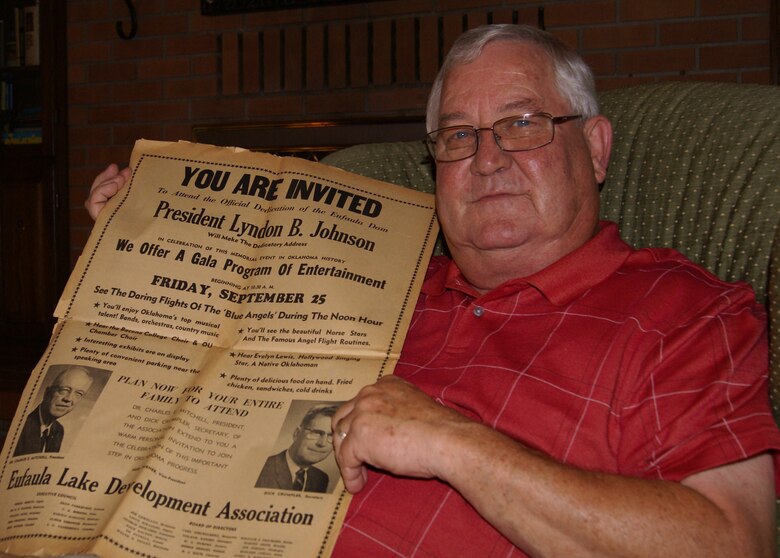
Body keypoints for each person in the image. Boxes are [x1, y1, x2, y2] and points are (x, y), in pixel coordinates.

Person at [86, 24, 780, 558]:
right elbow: (198, 366)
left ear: (596, 148)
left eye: (523, 124)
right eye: (457, 136)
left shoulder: (685, 312)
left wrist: (454, 444)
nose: (486, 159)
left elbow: (732, 541)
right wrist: (143, 236)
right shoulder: (374, 279)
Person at [255, 403, 337, 493]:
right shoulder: (261, 468)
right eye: (316, 433)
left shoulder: (321, 479)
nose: (322, 443)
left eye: (331, 436)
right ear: (297, 433)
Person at [13, 366, 93, 457]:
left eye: (78, 394)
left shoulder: (58, 430)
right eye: (64, 390)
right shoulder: (21, 426)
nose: (68, 399)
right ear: (47, 392)